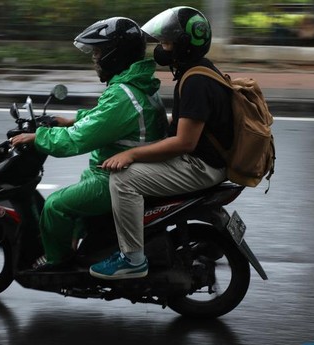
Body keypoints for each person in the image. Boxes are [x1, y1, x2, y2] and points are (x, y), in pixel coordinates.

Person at [10, 16, 167, 271]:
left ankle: (57, 261)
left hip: (114, 177)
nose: (95, 58)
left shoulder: (123, 94)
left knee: (55, 206)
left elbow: (77, 140)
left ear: (115, 54)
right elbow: (104, 118)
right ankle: (84, 246)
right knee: (81, 188)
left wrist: (37, 138)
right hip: (120, 169)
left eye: (98, 51)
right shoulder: (137, 84)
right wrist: (68, 120)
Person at [90, 6, 232, 280]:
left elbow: (184, 143)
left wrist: (131, 154)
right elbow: (187, 121)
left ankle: (132, 258)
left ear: (183, 46)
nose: (161, 49)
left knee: (123, 179)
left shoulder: (195, 82)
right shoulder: (200, 71)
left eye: (167, 43)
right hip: (206, 160)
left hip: (200, 166)